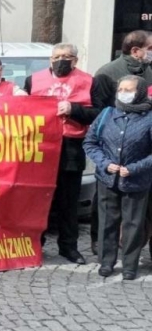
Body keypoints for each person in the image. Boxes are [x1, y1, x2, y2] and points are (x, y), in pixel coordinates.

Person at [23, 43, 100, 265]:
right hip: (39, 147)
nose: (61, 60)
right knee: (38, 200)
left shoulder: (88, 81)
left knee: (68, 202)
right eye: (57, 56)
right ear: (50, 59)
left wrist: (74, 109)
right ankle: (36, 244)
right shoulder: (33, 80)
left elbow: (98, 113)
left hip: (71, 146)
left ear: (75, 60)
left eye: (67, 57)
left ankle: (69, 247)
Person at [83, 75, 152, 280]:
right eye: (121, 89)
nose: (124, 93)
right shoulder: (107, 113)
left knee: (133, 224)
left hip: (136, 180)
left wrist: (134, 168)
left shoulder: (149, 117)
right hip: (107, 178)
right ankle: (106, 261)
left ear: (139, 92)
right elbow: (90, 142)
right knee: (107, 222)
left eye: (129, 90)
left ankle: (130, 264)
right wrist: (105, 164)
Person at [90, 30, 152, 255]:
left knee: (142, 206)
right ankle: (100, 242)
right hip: (112, 147)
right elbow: (98, 109)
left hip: (144, 145)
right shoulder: (107, 72)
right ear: (136, 50)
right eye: (150, 48)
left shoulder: (148, 70)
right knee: (106, 202)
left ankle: (136, 247)